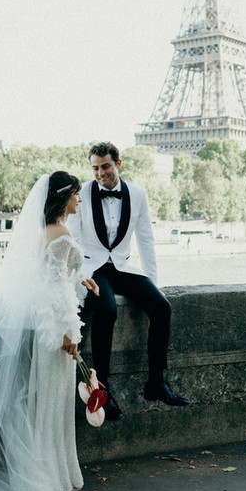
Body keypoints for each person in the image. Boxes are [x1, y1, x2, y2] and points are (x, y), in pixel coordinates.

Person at [0, 171, 98, 491]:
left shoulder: (42, 233)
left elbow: (52, 281)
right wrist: (66, 334)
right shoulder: (60, 233)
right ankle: (54, 477)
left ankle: (56, 474)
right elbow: (51, 290)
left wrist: (83, 281)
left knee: (46, 404)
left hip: (47, 330)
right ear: (64, 197)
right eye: (76, 194)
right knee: (52, 404)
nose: (79, 199)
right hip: (56, 333)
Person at [68, 142, 189, 420]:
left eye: (106, 166)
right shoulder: (82, 194)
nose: (100, 173)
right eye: (95, 168)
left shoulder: (137, 194)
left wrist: (153, 283)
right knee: (107, 309)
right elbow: (73, 241)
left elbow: (146, 241)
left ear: (118, 164)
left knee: (162, 307)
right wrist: (79, 277)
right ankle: (102, 392)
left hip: (123, 266)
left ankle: (156, 383)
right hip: (93, 267)